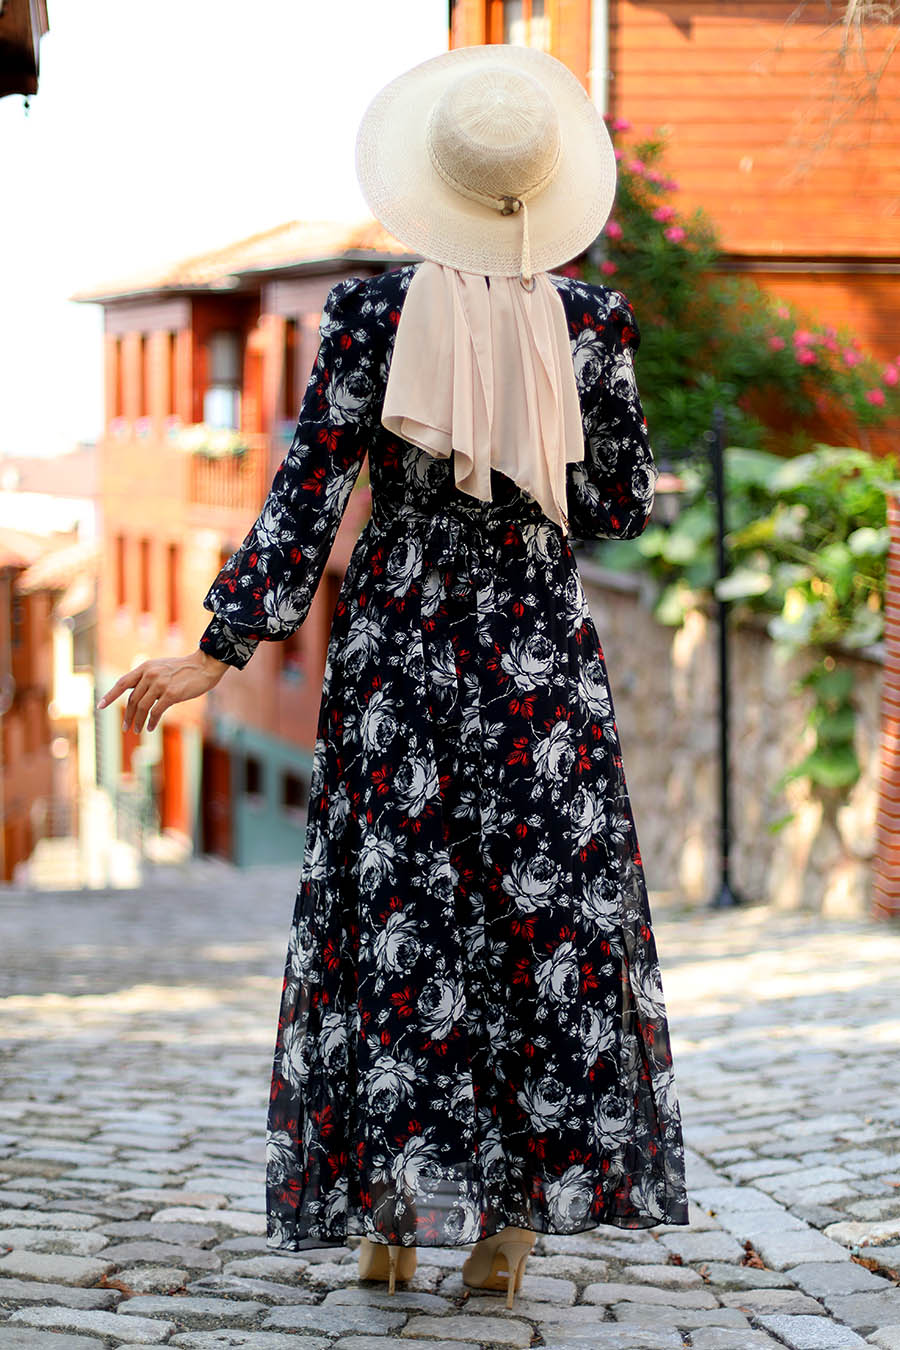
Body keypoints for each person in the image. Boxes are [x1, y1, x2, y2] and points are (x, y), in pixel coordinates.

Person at [97, 43, 690, 1310]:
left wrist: (216, 651)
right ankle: (510, 1234)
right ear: (544, 193)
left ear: (435, 184)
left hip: (402, 654)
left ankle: (390, 1219)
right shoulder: (593, 323)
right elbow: (622, 507)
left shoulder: (370, 316)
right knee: (538, 928)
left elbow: (308, 499)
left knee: (396, 920)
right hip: (535, 650)